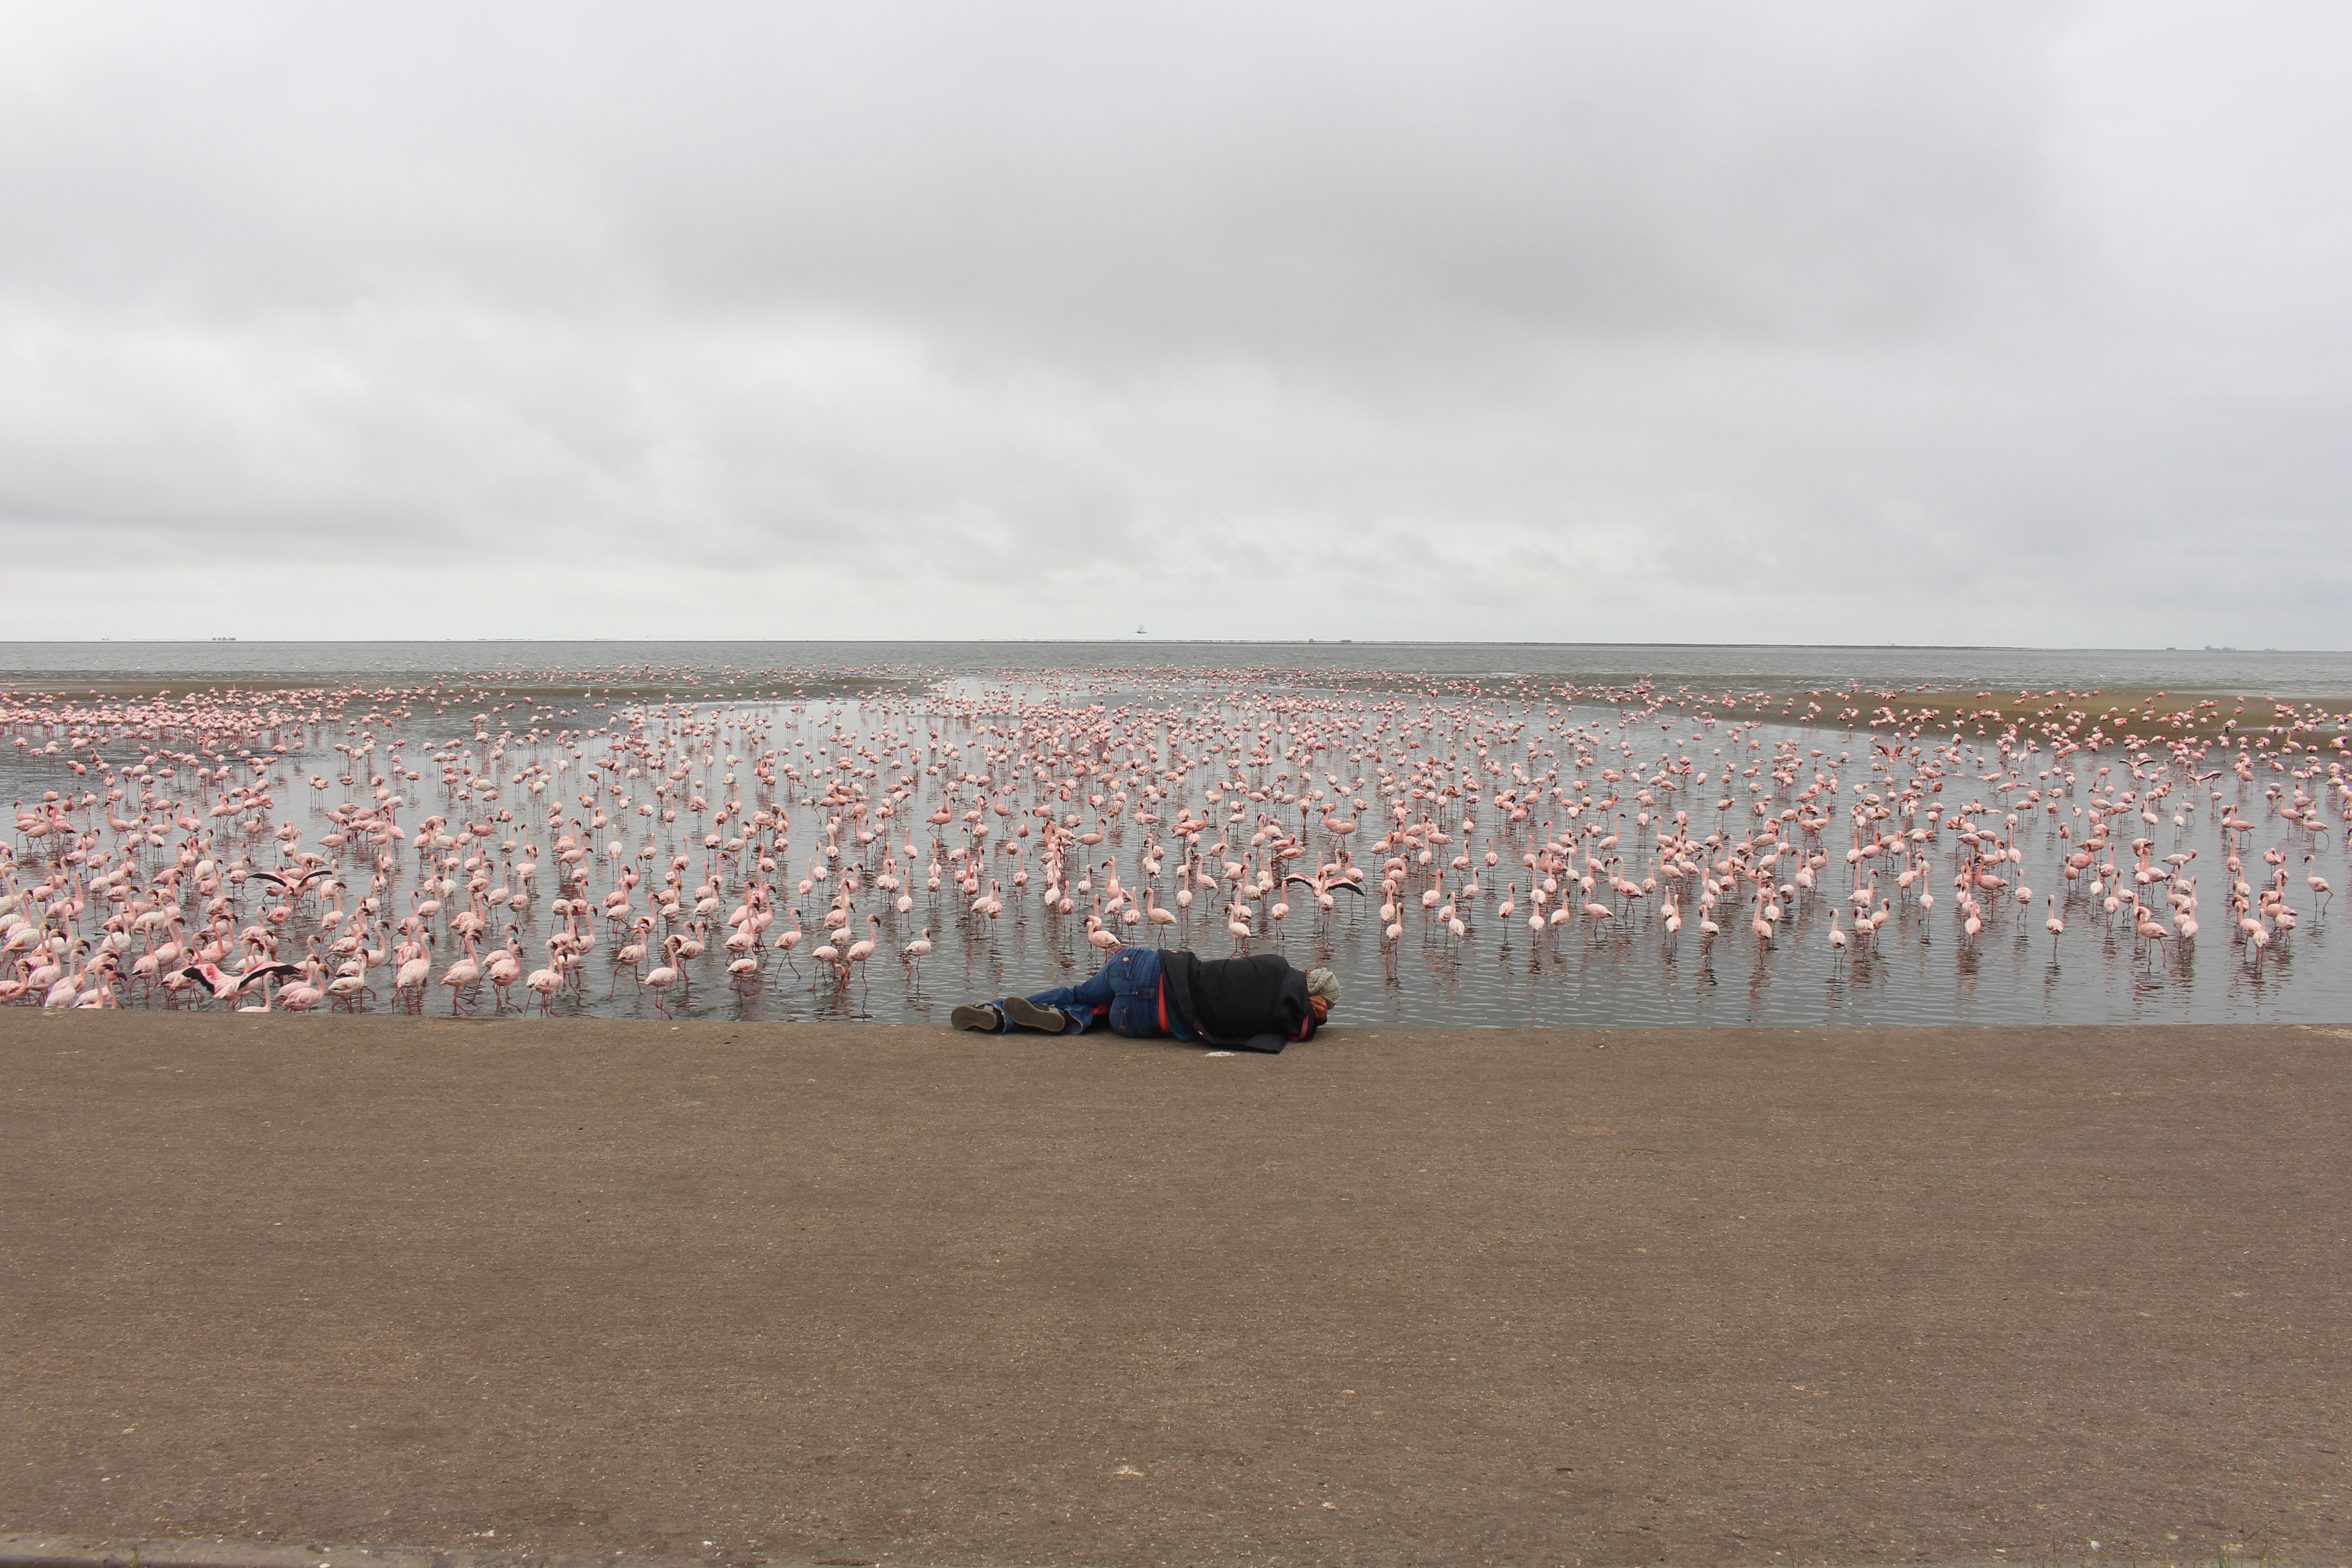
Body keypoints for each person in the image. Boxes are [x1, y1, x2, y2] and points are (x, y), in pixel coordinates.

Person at [951, 946, 1339, 1053]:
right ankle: (1070, 1020)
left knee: (1079, 994)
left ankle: (999, 1013)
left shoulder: (1273, 967)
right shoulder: (1285, 1022)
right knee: (1103, 1011)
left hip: (1141, 969)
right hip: (1138, 1022)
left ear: (1306, 977)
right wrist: (1310, 1020)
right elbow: (1295, 1027)